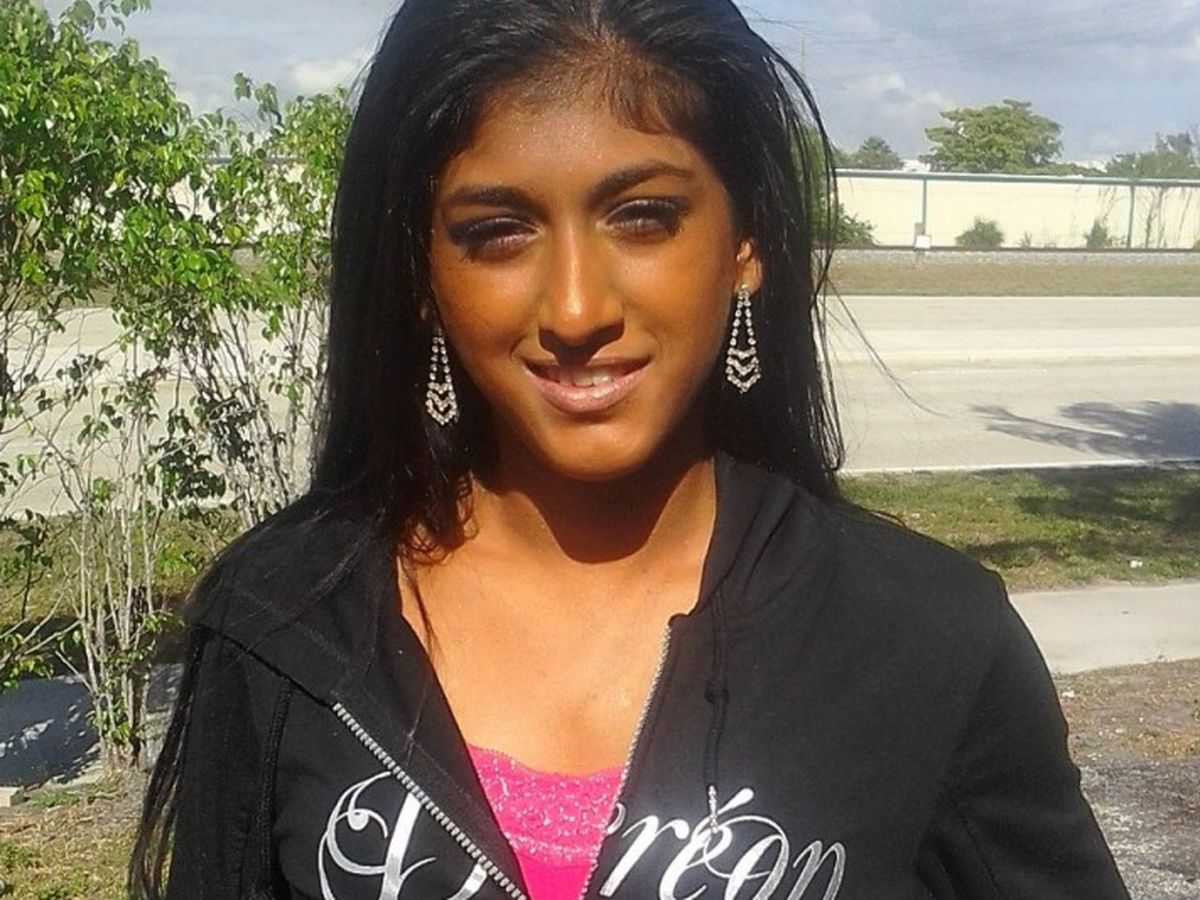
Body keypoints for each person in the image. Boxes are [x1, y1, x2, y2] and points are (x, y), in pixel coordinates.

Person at [130, 0, 1131, 897]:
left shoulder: (929, 641)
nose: (576, 309)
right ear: (421, 274)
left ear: (746, 244)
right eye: (498, 231)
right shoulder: (286, 622)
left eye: (643, 217)